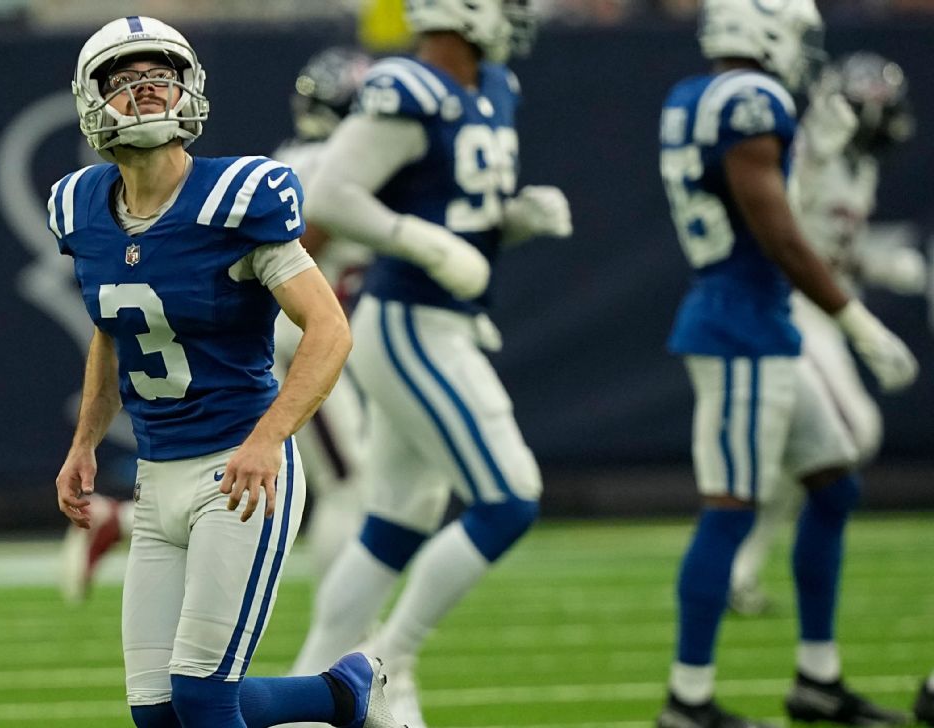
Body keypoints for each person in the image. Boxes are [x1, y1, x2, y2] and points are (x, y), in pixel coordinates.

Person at [47, 16, 400, 728]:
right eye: (125, 82)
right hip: (155, 479)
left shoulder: (238, 197)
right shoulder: (80, 206)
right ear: (92, 101)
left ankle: (343, 692)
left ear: (189, 91)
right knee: (156, 712)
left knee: (205, 700)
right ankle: (341, 695)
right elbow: (111, 333)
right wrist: (84, 442)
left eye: (160, 78)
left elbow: (328, 329)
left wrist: (270, 438)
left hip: (237, 473)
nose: (146, 93)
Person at [286, 2, 573, 726]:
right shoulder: (404, 86)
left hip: (444, 320)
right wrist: (424, 244)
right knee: (509, 499)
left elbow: (455, 210)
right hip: (412, 322)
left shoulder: (495, 86)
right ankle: (387, 662)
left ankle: (299, 701)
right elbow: (331, 198)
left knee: (396, 520)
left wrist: (510, 221)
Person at [655, 1, 918, 726]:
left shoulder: (691, 96)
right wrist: (855, 319)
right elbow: (780, 232)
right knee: (730, 508)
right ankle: (689, 699)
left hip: (754, 318)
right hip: (741, 323)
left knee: (833, 486)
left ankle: (817, 680)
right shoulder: (751, 98)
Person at [727, 51, 924, 617]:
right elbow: (781, 221)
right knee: (850, 434)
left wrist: (877, 267)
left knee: (834, 445)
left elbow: (830, 246)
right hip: (792, 304)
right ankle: (740, 564)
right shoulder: (810, 148)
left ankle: (741, 567)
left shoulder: (860, 166)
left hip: (825, 309)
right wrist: (814, 159)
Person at [271, 45, 374, 580]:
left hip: (303, 336)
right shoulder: (327, 165)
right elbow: (300, 246)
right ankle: (348, 635)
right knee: (347, 484)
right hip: (299, 340)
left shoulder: (293, 157)